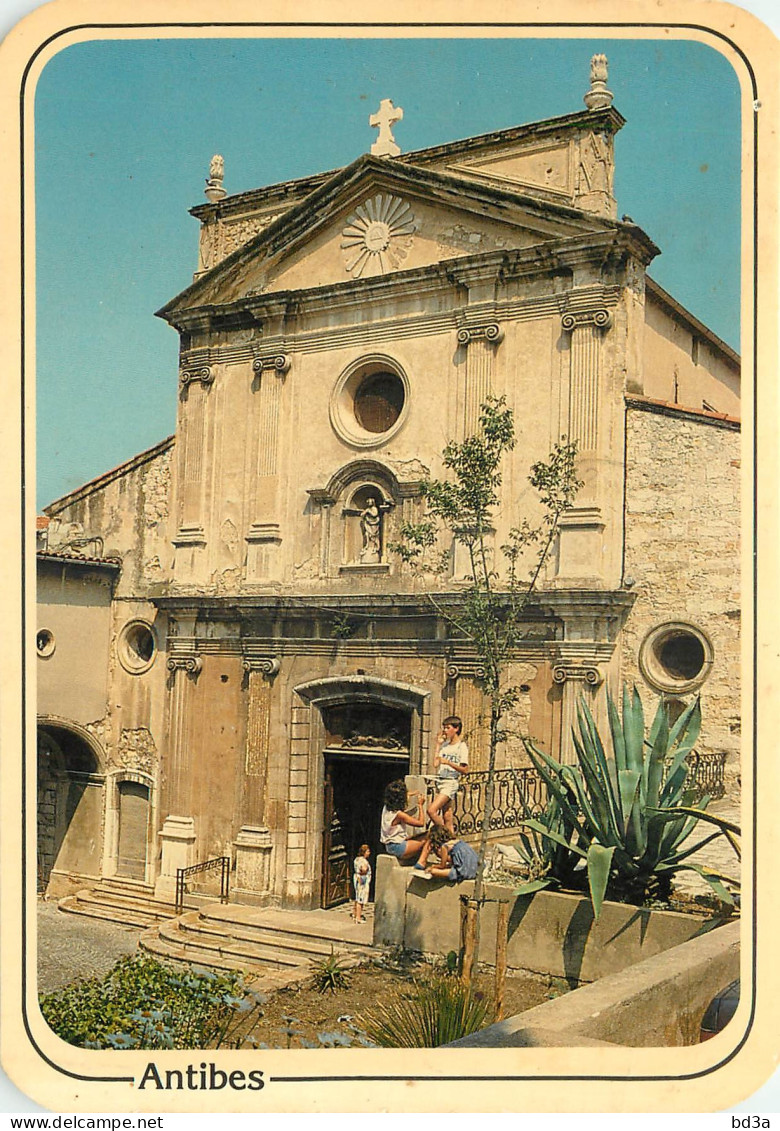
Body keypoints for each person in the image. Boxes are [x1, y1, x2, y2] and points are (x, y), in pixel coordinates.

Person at [427, 716, 469, 834]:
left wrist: (448, 763)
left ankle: (444, 834)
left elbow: (465, 770)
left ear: (456, 729)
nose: (445, 730)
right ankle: (451, 840)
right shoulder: (445, 745)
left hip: (450, 782)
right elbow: (435, 764)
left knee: (431, 810)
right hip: (441, 781)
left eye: (447, 728)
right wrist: (438, 745)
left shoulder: (462, 746)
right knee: (447, 815)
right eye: (444, 727)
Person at [380, 779, 430, 862]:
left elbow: (397, 795)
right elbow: (421, 823)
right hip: (398, 848)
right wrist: (420, 805)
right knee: (430, 837)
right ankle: (421, 862)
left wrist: (413, 793)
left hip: (390, 846)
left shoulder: (386, 808)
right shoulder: (399, 815)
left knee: (421, 835)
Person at [352, 844, 372, 923]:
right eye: (367, 851)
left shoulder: (357, 859)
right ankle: (358, 917)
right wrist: (365, 870)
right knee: (361, 899)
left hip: (357, 878)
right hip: (362, 880)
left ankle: (355, 913)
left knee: (357, 897)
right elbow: (363, 869)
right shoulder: (363, 861)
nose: (369, 853)